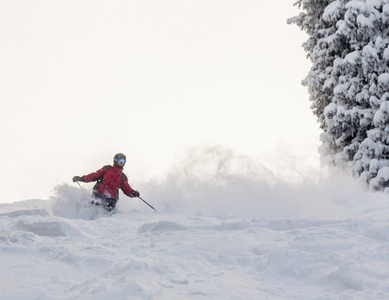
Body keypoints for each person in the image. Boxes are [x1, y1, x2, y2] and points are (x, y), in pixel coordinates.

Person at [73, 153, 140, 211]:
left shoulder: (123, 177)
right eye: (119, 160)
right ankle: (87, 217)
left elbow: (127, 188)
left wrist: (132, 192)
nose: (121, 163)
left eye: (123, 161)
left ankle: (105, 223)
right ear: (115, 160)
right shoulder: (107, 169)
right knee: (95, 204)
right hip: (99, 193)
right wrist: (81, 178)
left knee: (108, 209)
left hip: (112, 198)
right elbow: (94, 175)